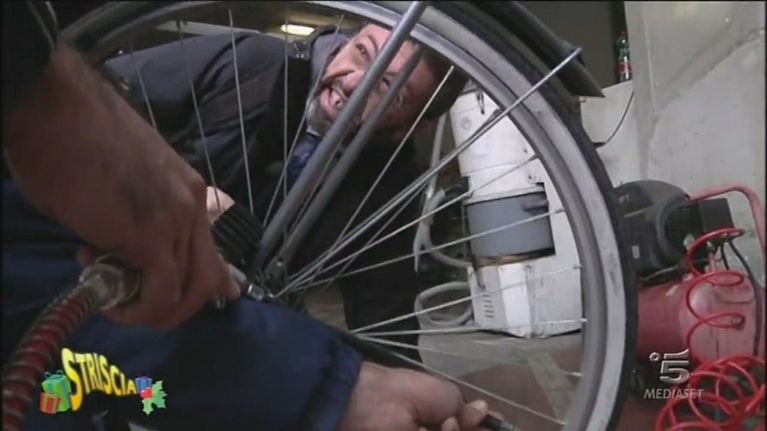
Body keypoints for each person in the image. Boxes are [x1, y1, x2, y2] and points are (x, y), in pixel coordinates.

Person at [2, 2, 497, 431]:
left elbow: (386, 311)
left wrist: (414, 400)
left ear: (413, 126)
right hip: (102, 265)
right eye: (362, 52)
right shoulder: (251, 64)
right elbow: (93, 94)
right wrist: (171, 182)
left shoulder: (391, 184)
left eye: (390, 90)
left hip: (223, 330)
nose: (354, 82)